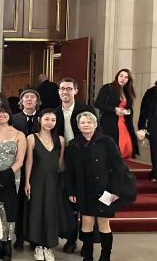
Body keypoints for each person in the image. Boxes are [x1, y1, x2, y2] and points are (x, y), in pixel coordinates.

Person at [64, 111, 126, 261]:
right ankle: (88, 256)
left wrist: (116, 190)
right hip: (84, 191)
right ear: (78, 126)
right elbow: (69, 172)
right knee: (86, 224)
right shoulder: (73, 145)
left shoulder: (107, 141)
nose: (86, 125)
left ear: (95, 124)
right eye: (83, 123)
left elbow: (119, 167)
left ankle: (105, 256)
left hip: (105, 190)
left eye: (89, 122)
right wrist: (71, 191)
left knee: (104, 224)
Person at [54, 77, 97, 253]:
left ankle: (88, 244)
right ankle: (70, 240)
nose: (65, 92)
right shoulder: (53, 112)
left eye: (69, 89)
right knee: (69, 203)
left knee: (88, 205)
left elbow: (97, 134)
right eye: (62, 89)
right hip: (65, 162)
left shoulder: (86, 110)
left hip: (87, 161)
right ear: (58, 92)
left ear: (75, 91)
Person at [23, 109, 68, 261]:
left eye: (53, 120)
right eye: (47, 119)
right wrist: (27, 182)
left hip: (53, 181)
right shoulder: (31, 138)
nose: (49, 122)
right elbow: (29, 161)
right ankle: (38, 246)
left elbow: (61, 164)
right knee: (36, 211)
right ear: (40, 120)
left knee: (50, 212)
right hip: (36, 180)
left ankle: (48, 247)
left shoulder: (60, 140)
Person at [0, 103, 26, 261]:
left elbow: (21, 159)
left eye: (4, 112)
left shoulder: (19, 134)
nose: (1, 115)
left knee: (8, 209)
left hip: (11, 176)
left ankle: (8, 242)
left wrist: (7, 173)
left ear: (9, 114)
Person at [10, 89, 41, 250]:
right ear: (21, 102)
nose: (29, 99)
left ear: (37, 101)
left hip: (38, 166)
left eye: (32, 97)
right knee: (20, 202)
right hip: (18, 165)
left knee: (35, 203)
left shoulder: (43, 119)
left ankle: (34, 236)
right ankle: (19, 236)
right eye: (26, 97)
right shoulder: (14, 119)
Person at [94, 69, 140, 160]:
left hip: (123, 122)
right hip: (109, 122)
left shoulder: (127, 91)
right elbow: (98, 103)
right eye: (121, 76)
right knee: (113, 148)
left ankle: (120, 168)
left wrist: (128, 111)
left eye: (126, 77)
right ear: (117, 76)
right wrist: (114, 109)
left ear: (128, 80)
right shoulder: (107, 87)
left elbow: (129, 108)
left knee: (126, 147)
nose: (123, 79)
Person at [139, 80, 157, 182]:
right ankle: (155, 174)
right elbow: (143, 111)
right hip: (153, 126)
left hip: (153, 126)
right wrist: (142, 127)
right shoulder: (150, 92)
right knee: (155, 150)